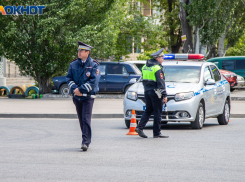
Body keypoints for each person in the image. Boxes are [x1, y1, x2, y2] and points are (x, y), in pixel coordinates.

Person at [66, 41, 100, 151]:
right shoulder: (73, 64)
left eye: (81, 51)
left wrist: (80, 89)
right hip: (77, 97)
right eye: (78, 50)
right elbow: (68, 78)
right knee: (81, 120)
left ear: (88, 52)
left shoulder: (94, 65)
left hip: (88, 97)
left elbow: (94, 81)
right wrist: (75, 89)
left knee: (86, 119)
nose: (79, 52)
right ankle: (85, 139)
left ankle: (85, 142)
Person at [135, 48, 168, 138]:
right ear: (157, 58)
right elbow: (161, 83)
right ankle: (157, 133)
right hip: (156, 92)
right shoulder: (157, 68)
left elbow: (143, 80)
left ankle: (140, 127)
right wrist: (164, 95)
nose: (163, 59)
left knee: (148, 110)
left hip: (147, 91)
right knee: (157, 112)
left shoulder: (145, 67)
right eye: (162, 57)